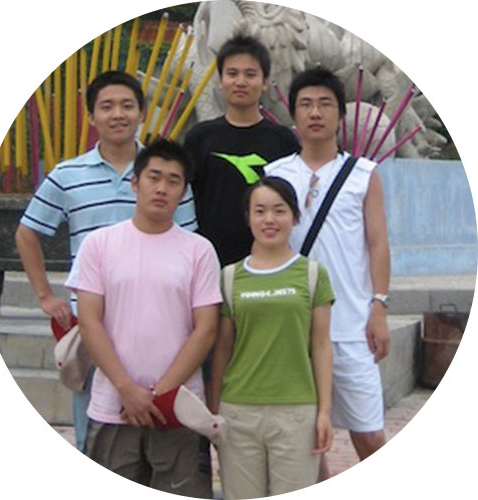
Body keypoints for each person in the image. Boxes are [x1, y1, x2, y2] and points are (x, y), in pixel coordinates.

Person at [15, 70, 197, 453]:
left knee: (160, 439)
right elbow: (27, 233)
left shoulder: (164, 174)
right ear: (91, 116)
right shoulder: (68, 175)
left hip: (159, 323)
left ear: (142, 113)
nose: (118, 114)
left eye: (127, 106)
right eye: (107, 106)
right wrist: (45, 295)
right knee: (93, 439)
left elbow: (189, 245)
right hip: (92, 324)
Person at [66, 139, 221, 496]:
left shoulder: (199, 250)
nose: (162, 188)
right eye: (154, 177)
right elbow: (89, 322)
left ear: (184, 192)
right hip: (112, 405)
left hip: (179, 408)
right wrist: (126, 389)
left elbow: (206, 329)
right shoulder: (99, 244)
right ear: (135, 183)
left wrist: (159, 395)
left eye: (173, 181)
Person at [265, 67, 390, 477]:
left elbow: (378, 243)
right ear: (294, 115)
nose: (315, 113)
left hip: (351, 323)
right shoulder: (276, 174)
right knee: (306, 437)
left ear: (341, 115)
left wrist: (379, 306)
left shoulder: (364, 174)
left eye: (325, 104)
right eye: (306, 104)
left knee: (368, 432)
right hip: (293, 324)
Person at [209, 176, 334, 498]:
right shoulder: (229, 277)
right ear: (248, 218)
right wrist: (215, 410)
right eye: (260, 211)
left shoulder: (313, 275)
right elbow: (222, 349)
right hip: (238, 411)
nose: (269, 220)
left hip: (296, 412)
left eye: (279, 211)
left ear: (295, 217)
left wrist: (324, 412)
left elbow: (321, 346)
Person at [184, 34, 300, 267]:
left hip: (269, 261)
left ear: (265, 81)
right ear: (220, 80)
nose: (240, 82)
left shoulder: (283, 140)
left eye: (250, 74)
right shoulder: (200, 137)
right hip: (210, 261)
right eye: (232, 73)